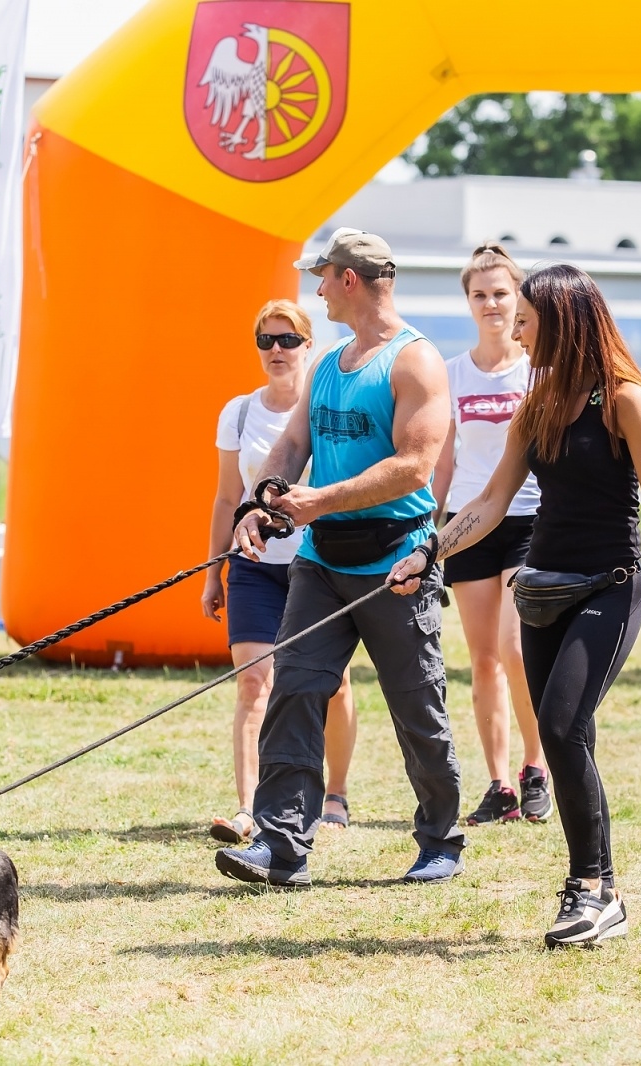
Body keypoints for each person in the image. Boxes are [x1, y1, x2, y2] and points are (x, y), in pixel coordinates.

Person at [390, 263, 641, 948]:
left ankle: (594, 889)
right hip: (543, 587)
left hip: (608, 584)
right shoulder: (539, 403)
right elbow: (491, 501)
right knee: (567, 735)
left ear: (561, 319)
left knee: (558, 725)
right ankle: (595, 887)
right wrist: (428, 553)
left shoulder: (624, 400)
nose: (517, 329)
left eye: (526, 318)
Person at [215, 228, 465, 888]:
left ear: (348, 280)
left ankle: (440, 838)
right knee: (293, 694)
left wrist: (318, 499)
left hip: (395, 566)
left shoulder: (415, 362)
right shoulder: (327, 364)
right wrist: (264, 497)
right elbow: (292, 443)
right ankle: (281, 845)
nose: (317, 289)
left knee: (418, 709)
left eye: (322, 277)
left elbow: (415, 467)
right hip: (320, 565)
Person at [201, 299, 358, 843]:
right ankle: (248, 809)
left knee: (331, 684)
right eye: (266, 340)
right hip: (251, 568)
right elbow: (227, 499)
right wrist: (211, 573)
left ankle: (334, 794)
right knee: (253, 684)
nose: (276, 351)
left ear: (309, 345)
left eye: (288, 340)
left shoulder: (326, 411)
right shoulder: (239, 413)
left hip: (318, 568)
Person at [431, 243, 550, 826]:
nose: (491, 304)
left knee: (514, 647)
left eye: (501, 293)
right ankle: (499, 783)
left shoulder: (538, 371)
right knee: (481, 659)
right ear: (468, 302)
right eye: (480, 295)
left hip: (529, 518)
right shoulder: (450, 374)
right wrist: (431, 530)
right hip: (467, 522)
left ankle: (537, 767)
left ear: (518, 297)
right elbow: (444, 462)